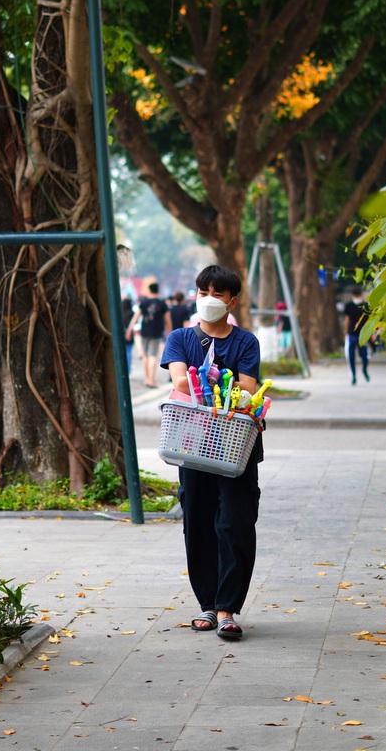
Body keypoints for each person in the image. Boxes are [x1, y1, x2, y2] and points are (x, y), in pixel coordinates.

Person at [161, 265, 261, 642]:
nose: (209, 299)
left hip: (235, 447)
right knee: (198, 522)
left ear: (232, 301)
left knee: (235, 522)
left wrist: (214, 378)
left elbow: (249, 388)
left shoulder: (246, 342)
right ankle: (206, 604)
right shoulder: (180, 337)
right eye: (203, 291)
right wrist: (220, 378)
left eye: (218, 294)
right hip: (192, 444)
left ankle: (227, 609)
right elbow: (180, 381)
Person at [126, 281, 171, 388]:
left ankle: (146, 379)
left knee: (145, 355)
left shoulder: (144, 302)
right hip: (156, 332)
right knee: (153, 355)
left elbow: (136, 317)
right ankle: (151, 380)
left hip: (145, 331)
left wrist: (129, 330)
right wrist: (169, 332)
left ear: (149, 290)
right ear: (158, 290)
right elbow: (168, 320)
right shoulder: (162, 303)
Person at [343, 285, 371, 385]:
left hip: (359, 335)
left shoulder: (365, 306)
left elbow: (347, 321)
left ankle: (360, 372)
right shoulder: (350, 306)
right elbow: (347, 320)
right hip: (355, 334)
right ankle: (356, 374)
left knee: (358, 356)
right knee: (360, 355)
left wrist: (345, 333)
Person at [121, 296, 135, 373]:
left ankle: (123, 368)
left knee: (123, 352)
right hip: (129, 334)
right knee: (129, 352)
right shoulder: (131, 313)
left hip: (121, 334)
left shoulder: (120, 312)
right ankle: (128, 369)